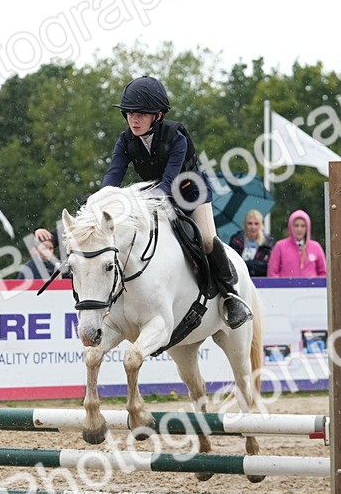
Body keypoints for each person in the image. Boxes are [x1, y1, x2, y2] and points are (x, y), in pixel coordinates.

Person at [101, 75, 250, 328]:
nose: (133, 120)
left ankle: (230, 295)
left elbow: (169, 182)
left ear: (157, 115)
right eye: (129, 113)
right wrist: (101, 201)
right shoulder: (125, 140)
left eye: (141, 114)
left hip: (191, 195)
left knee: (204, 239)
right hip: (154, 197)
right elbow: (112, 176)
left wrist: (137, 202)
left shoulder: (175, 136)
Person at [267, 210, 327, 278]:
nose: (299, 229)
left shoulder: (316, 247)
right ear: (290, 227)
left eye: (303, 226)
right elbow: (272, 273)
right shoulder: (280, 246)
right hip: (286, 287)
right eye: (296, 226)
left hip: (311, 287)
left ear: (307, 227)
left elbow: (324, 273)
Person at [228, 209, 274, 278]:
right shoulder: (236, 241)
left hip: (260, 281)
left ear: (261, 225)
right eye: (250, 223)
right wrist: (252, 265)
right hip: (240, 278)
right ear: (245, 224)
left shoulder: (268, 243)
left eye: (256, 224)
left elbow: (266, 266)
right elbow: (232, 263)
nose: (253, 227)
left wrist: (246, 264)